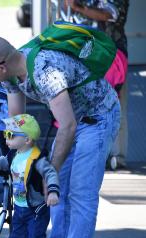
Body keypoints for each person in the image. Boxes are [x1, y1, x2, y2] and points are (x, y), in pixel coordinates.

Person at [0, 36, 120, 238]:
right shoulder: (9, 74)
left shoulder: (45, 71)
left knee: (80, 191)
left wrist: (48, 173)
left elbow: (68, 126)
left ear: (0, 67)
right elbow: (17, 121)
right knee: (56, 191)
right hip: (73, 121)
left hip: (97, 118)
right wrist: (18, 161)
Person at [62, 0, 129, 169]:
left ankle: (117, 156)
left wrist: (78, 7)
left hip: (110, 54)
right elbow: (68, 13)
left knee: (114, 102)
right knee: (87, 104)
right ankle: (93, 152)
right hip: (84, 54)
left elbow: (110, 14)